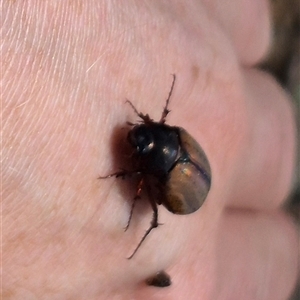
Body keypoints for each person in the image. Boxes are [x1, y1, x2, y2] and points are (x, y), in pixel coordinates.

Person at [2, 1, 298, 299]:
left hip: (183, 186)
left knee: (146, 197)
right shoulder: (170, 135)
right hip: (177, 158)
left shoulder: (158, 169)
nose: (137, 134)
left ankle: (146, 230)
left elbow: (146, 165)